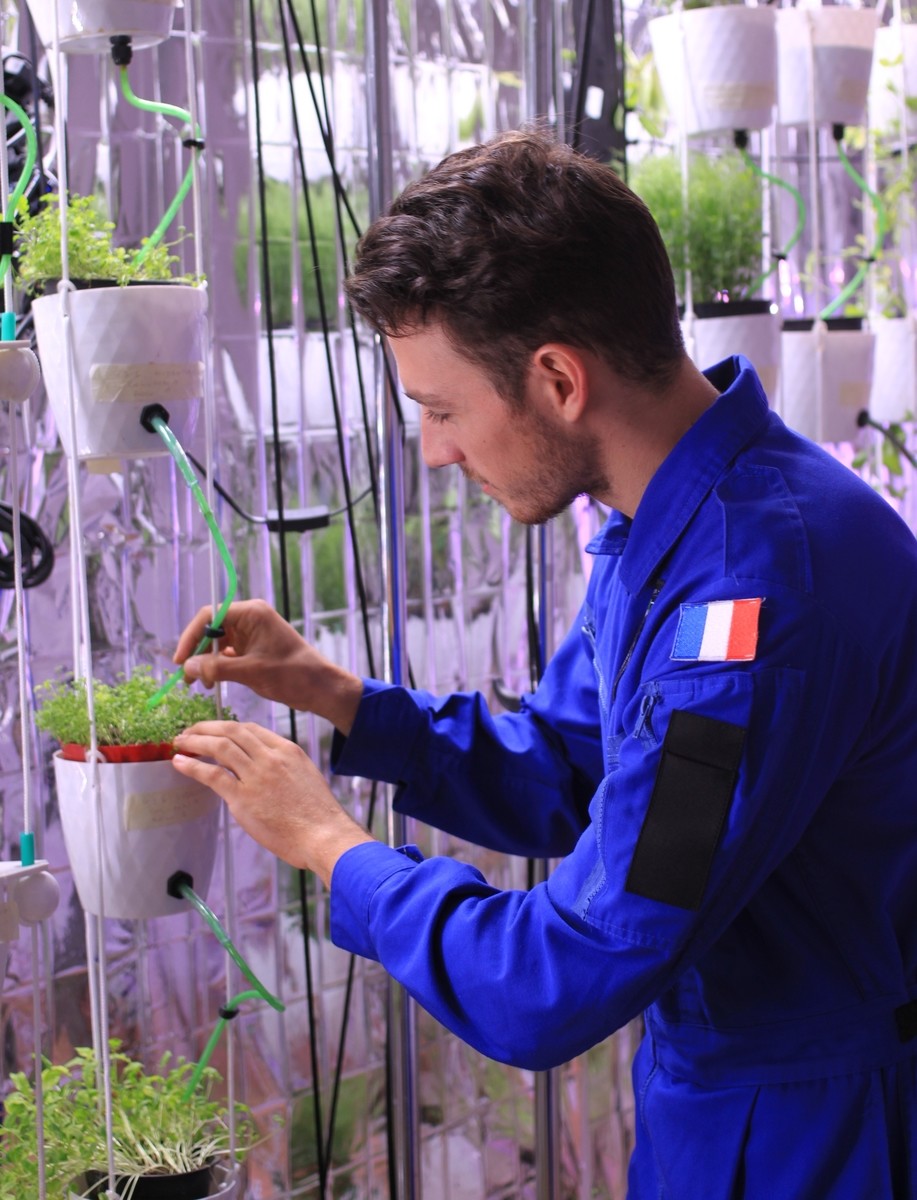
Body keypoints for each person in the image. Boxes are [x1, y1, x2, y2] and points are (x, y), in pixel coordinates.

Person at [171, 128, 917, 1198]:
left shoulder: (748, 609)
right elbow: (568, 766)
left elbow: (562, 976)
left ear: (558, 379)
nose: (435, 450)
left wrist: (333, 847)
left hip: (819, 1139)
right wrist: (338, 698)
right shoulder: (670, 527)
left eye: (441, 410)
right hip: (724, 1102)